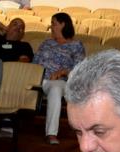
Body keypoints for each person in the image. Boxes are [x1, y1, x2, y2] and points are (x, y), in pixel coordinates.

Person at [33, 12, 85, 145]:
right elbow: (35, 61)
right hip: (39, 79)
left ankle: (51, 133)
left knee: (55, 88)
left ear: (63, 24)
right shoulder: (47, 43)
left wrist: (63, 72)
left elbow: (79, 69)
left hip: (60, 82)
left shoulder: (76, 45)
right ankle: (7, 125)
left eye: (54, 23)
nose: (51, 26)